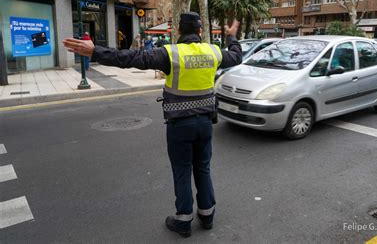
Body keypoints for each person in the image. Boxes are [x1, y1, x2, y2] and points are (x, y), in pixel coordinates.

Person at [63, 12, 242, 238]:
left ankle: (184, 221)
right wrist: (232, 36)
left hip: (180, 125)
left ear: (178, 31)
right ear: (199, 31)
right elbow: (236, 56)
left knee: (182, 170)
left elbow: (131, 58)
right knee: (203, 168)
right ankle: (207, 216)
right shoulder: (213, 52)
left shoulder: (170, 53)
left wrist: (95, 51)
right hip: (206, 123)